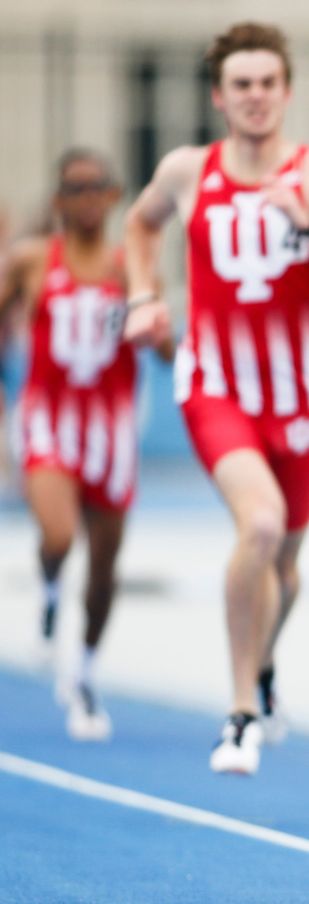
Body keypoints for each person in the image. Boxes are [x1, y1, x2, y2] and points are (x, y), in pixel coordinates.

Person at [124, 22, 309, 775]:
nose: (255, 97)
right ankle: (240, 711)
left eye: (267, 83)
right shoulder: (190, 169)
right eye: (241, 85)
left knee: (285, 567)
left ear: (286, 92)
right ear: (220, 96)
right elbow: (140, 222)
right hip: (214, 384)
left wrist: (307, 221)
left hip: (298, 398)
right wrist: (142, 298)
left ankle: (262, 665)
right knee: (259, 527)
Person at [0, 149, 167, 740]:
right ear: (58, 201)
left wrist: (160, 333)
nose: (88, 197)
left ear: (115, 195)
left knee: (102, 571)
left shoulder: (132, 271)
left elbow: (165, 348)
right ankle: (48, 586)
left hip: (111, 430)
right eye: (76, 187)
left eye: (98, 186)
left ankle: (86, 672)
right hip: (47, 418)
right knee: (58, 534)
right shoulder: (29, 263)